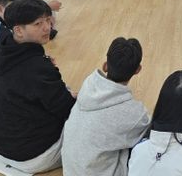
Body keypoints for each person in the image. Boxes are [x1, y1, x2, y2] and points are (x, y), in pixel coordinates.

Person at [0, 0, 76, 174]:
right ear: (18, 30)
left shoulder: (3, 51)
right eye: (38, 24)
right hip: (34, 156)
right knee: (92, 116)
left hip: (3, 148)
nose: (47, 27)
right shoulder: (37, 68)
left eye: (48, 20)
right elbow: (67, 109)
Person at [62, 37, 150, 176]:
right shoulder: (135, 114)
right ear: (138, 70)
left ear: (105, 66)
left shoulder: (88, 85)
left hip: (69, 170)